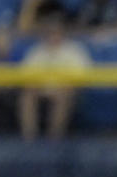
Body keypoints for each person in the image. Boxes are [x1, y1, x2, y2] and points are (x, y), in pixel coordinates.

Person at [17, 7, 91, 139]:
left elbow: (81, 76)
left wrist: (62, 87)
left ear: (62, 33)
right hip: (41, 89)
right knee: (26, 96)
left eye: (56, 32)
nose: (53, 35)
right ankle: (29, 139)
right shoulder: (37, 50)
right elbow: (27, 75)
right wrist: (39, 87)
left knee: (62, 96)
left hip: (65, 90)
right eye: (50, 32)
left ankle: (54, 139)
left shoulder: (74, 50)